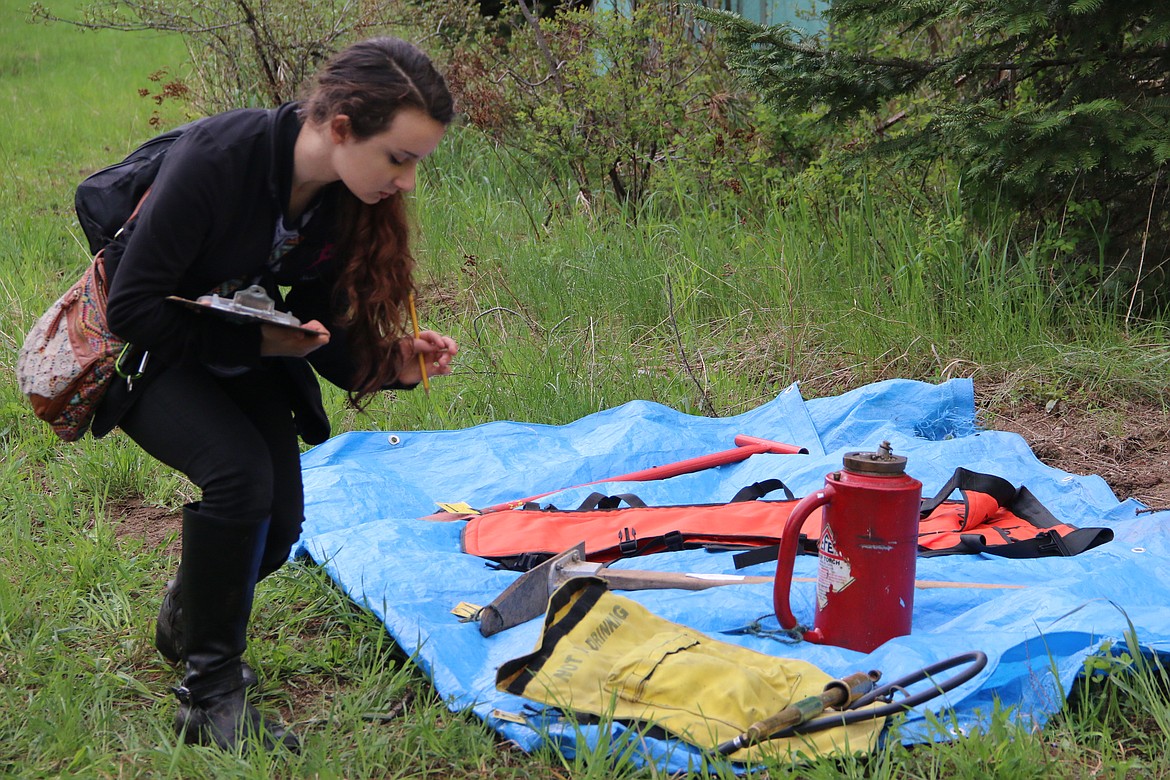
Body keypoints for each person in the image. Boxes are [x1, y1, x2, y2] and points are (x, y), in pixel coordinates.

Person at [94, 37, 458, 752]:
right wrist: (258, 345)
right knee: (239, 479)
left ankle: (191, 619)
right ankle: (209, 697)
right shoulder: (218, 160)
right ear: (342, 127)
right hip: (151, 352)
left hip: (238, 345)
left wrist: (393, 365)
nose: (408, 181)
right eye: (400, 157)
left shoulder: (343, 198)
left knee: (279, 523)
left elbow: (327, 332)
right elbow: (130, 308)